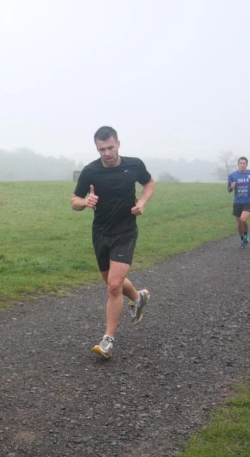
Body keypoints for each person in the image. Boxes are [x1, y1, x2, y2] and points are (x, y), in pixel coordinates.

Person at [71, 126, 155, 359]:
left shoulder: (133, 165)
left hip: (125, 231)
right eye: (101, 149)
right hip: (100, 232)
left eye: (110, 147)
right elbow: (74, 201)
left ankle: (107, 340)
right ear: (96, 148)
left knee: (114, 285)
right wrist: (85, 201)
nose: (106, 153)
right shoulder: (90, 171)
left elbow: (149, 183)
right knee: (111, 282)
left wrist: (144, 202)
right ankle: (139, 298)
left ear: (118, 144)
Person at [227, 157, 250, 247]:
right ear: (238, 164)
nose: (242, 165)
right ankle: (242, 238)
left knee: (243, 219)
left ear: (246, 164)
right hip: (237, 202)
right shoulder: (232, 175)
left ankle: (246, 234)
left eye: (244, 163)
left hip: (248, 200)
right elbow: (228, 190)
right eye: (240, 163)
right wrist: (232, 187)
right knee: (239, 223)